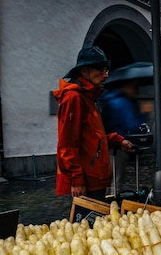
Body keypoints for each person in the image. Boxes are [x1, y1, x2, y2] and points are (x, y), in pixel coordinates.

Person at [53, 45, 134, 201]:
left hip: (95, 177)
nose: (105, 75)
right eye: (101, 70)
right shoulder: (74, 98)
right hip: (87, 180)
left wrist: (116, 139)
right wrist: (76, 179)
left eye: (106, 71)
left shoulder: (88, 98)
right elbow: (67, 143)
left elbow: (91, 137)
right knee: (87, 223)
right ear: (84, 71)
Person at [98, 79, 149, 195]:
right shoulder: (123, 102)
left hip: (107, 143)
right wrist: (143, 113)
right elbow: (132, 125)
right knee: (116, 180)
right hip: (117, 145)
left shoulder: (110, 98)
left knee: (110, 179)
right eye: (134, 88)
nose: (136, 91)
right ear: (126, 87)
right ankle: (113, 207)